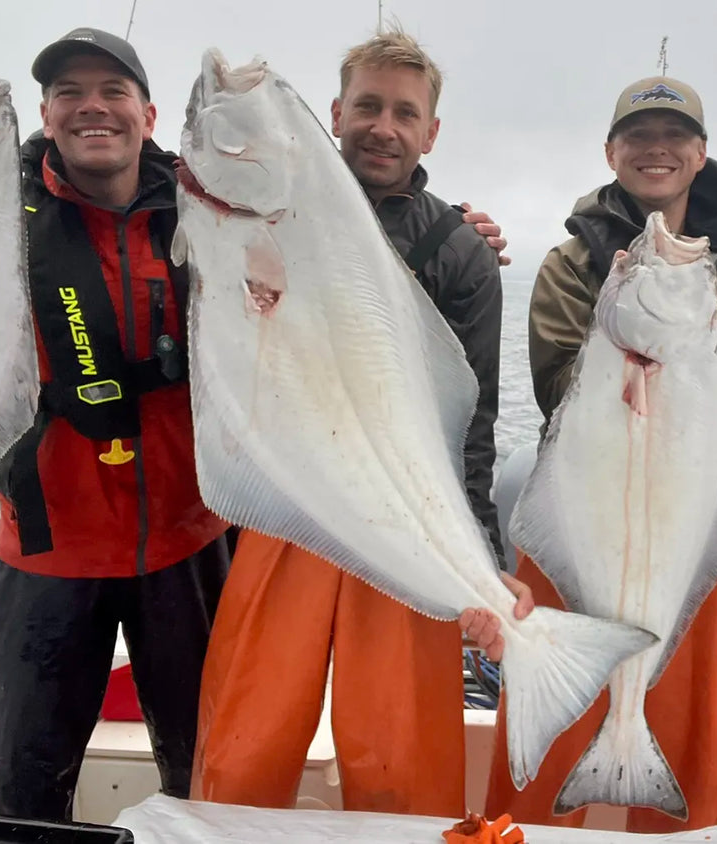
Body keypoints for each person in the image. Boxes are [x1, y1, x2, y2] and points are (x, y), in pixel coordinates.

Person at [0, 27, 512, 823]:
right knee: (45, 785)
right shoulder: (29, 205)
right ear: (334, 114)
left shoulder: (227, 207)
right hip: (58, 540)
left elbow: (463, 408)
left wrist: (481, 552)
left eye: (113, 95)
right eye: (71, 95)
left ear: (147, 114)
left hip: (186, 536)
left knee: (204, 758)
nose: (92, 111)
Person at [189, 30, 530, 819]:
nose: (384, 125)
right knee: (245, 735)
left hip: (401, 516)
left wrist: (474, 556)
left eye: (405, 112)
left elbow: (467, 425)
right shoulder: (250, 205)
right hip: (291, 505)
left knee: (405, 755)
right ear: (335, 111)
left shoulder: (460, 251)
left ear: (431, 131)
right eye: (368, 105)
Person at [478, 75, 717, 833]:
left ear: (702, 154)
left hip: (695, 514)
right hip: (591, 503)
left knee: (695, 733)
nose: (657, 150)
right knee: (544, 735)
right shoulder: (574, 263)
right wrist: (624, 309)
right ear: (611, 152)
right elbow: (556, 390)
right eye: (639, 137)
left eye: (675, 137)